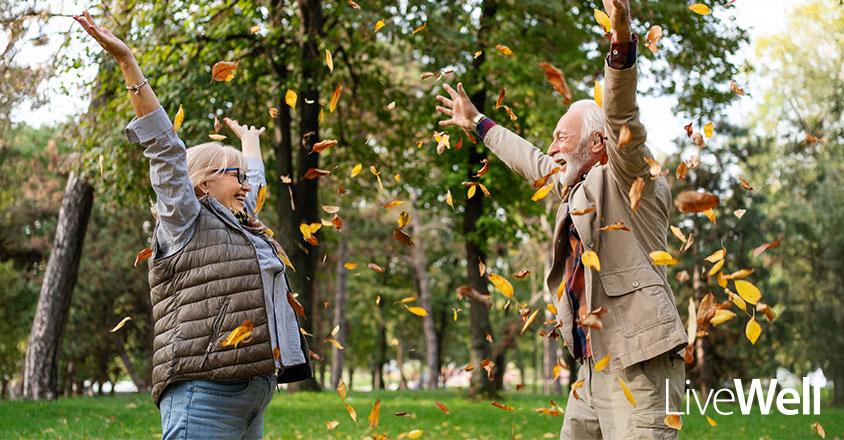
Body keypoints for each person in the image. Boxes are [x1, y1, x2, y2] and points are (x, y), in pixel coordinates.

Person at [436, 0, 686, 438]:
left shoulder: (631, 176)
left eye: (559, 136)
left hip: (640, 367)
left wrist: (621, 40)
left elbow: (622, 114)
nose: (550, 146)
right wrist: (477, 122)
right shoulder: (577, 187)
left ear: (596, 142)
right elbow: (531, 161)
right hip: (593, 369)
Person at [73, 11, 312, 439]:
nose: (246, 184)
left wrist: (249, 147)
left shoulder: (243, 226)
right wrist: (129, 62)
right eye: (234, 174)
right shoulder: (185, 220)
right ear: (201, 181)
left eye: (244, 175)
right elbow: (165, 149)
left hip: (252, 394)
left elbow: (252, 193)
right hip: (204, 394)